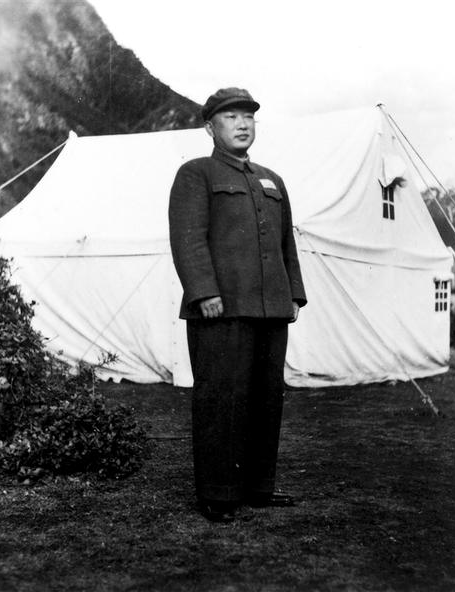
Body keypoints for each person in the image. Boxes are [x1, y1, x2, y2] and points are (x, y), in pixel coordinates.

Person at [168, 88, 307, 522]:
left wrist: (294, 294)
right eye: (231, 117)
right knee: (221, 400)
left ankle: (258, 487)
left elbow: (286, 243)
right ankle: (218, 492)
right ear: (210, 128)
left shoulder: (272, 180)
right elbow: (188, 239)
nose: (243, 124)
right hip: (221, 309)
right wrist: (204, 292)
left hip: (271, 309)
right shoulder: (196, 173)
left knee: (267, 399)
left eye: (248, 116)